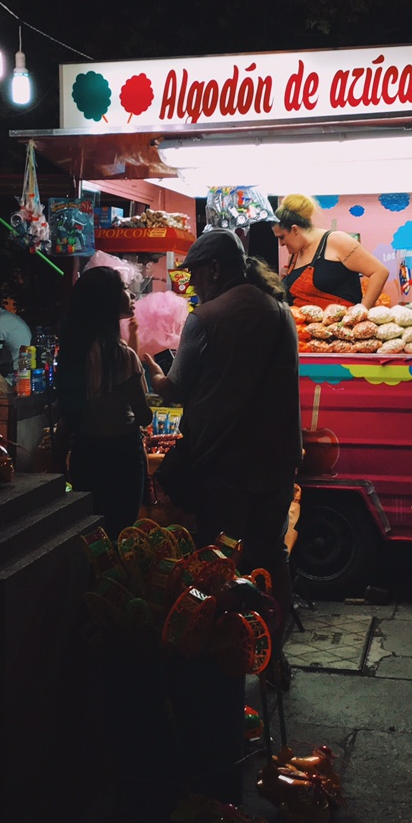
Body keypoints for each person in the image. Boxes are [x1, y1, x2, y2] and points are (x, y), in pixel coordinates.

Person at [142, 229, 301, 681]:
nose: (192, 285)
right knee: (271, 556)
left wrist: (152, 368)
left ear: (214, 269)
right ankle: (273, 658)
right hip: (276, 459)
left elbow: (176, 388)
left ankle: (223, 661)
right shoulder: (280, 311)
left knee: (219, 561)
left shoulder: (206, 317)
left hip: (223, 460)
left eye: (195, 274)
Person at [55, 266, 153, 538]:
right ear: (107, 301)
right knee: (120, 537)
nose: (130, 294)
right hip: (122, 457)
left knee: (92, 540)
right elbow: (144, 416)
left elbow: (67, 414)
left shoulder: (73, 352)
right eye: (123, 287)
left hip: (86, 455)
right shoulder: (121, 356)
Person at [274, 193, 390, 312]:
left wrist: (362, 310)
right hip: (302, 328)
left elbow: (380, 272)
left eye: (282, 237)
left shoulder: (336, 241)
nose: (281, 243)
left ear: (294, 230)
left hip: (339, 327)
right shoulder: (294, 256)